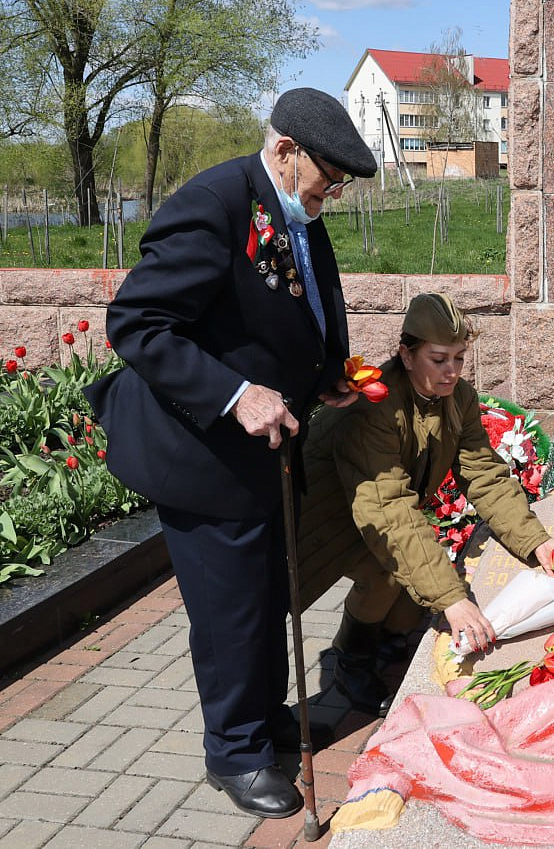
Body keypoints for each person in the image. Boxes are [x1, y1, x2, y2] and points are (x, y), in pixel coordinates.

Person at [84, 88, 377, 818]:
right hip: (203, 452)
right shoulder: (213, 203)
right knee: (229, 610)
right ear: (285, 150)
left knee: (267, 594)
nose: (333, 194)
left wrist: (325, 372)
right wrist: (235, 393)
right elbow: (138, 323)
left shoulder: (295, 206)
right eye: (329, 178)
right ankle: (234, 753)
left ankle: (263, 717)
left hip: (268, 448)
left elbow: (304, 299)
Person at [298, 292, 554, 716]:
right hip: (322, 520)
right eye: (438, 359)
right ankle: (351, 662)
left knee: (410, 590)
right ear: (406, 355)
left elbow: (484, 474)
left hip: (373, 509)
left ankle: (387, 646)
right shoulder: (373, 407)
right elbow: (389, 511)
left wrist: (535, 541)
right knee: (389, 572)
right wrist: (452, 600)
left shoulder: (458, 399)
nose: (452, 372)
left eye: (459, 358)